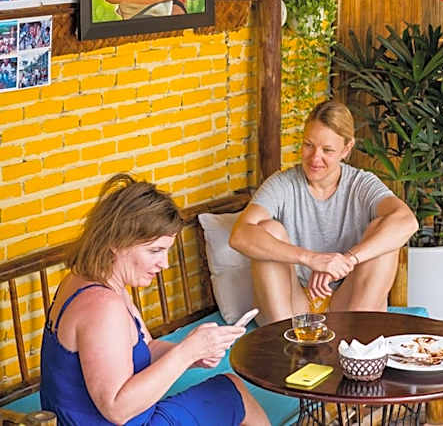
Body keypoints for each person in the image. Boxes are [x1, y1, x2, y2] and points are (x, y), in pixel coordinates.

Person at [39, 174, 269, 426]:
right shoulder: (102, 306)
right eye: (155, 251)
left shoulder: (89, 279)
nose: (164, 263)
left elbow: (146, 348)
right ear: (116, 242)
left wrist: (195, 354)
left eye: (166, 250)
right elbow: (117, 410)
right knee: (234, 394)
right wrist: (187, 352)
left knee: (229, 389)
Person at [230, 101, 418, 326]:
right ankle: (284, 339)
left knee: (383, 231)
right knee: (268, 229)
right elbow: (239, 235)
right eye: (308, 145)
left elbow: (408, 222)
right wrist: (311, 259)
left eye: (327, 150)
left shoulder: (361, 184)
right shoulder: (282, 184)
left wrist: (345, 261)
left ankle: (355, 339)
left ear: (346, 149)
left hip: (348, 305)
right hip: (293, 308)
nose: (314, 158)